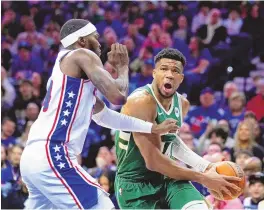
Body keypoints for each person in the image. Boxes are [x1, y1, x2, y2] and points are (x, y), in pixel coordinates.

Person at [20, 19, 177, 210]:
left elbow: (105, 116)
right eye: (95, 37)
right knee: (101, 205)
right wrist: (122, 68)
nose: (100, 42)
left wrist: (152, 128)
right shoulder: (82, 54)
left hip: (32, 157)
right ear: (82, 41)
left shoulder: (67, 75)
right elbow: (118, 97)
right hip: (52, 151)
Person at [115, 48, 241, 209]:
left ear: (181, 78)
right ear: (154, 73)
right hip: (135, 185)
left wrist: (206, 166)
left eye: (175, 70)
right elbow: (153, 161)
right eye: (164, 69)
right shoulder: (140, 102)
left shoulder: (182, 104)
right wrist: (203, 177)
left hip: (167, 178)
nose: (169, 74)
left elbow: (171, 141)